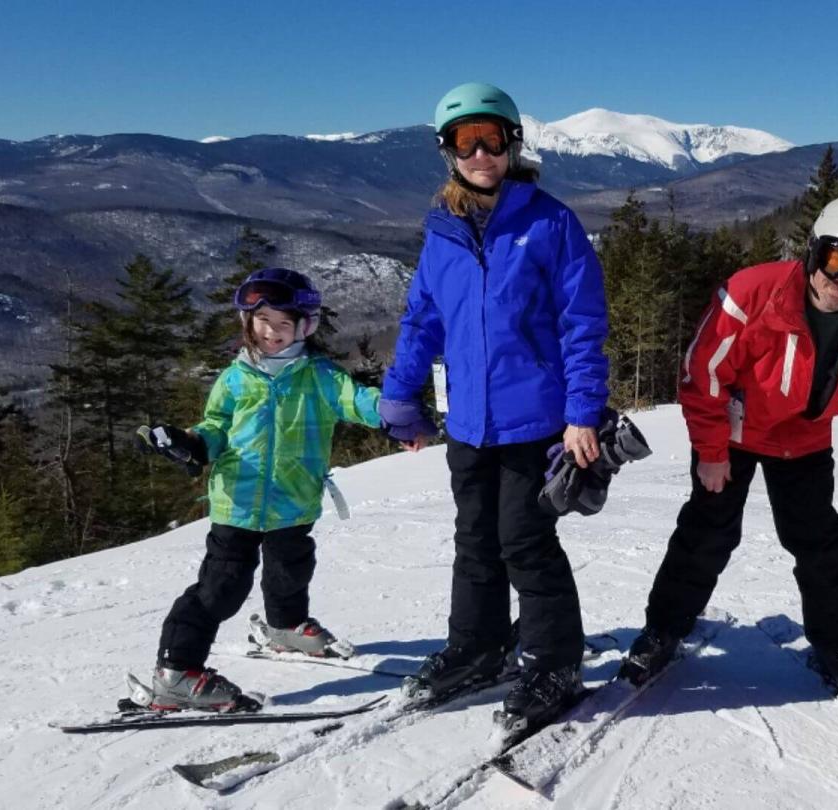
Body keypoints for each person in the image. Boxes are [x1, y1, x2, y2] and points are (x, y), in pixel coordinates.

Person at [618, 194, 838, 702]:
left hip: (804, 439)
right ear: (814, 250)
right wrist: (711, 450)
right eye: (836, 261)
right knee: (707, 534)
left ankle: (836, 645)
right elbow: (703, 373)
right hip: (734, 433)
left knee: (819, 544)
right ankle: (662, 631)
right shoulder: (753, 292)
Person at [378, 82, 609, 729]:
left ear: (512, 143)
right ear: (448, 151)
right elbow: (422, 319)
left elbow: (582, 323)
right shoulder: (443, 231)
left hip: (534, 420)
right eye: (464, 141)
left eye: (491, 139)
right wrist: (399, 393)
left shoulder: (550, 223)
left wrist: (583, 411)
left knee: (525, 543)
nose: (480, 153)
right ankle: (477, 647)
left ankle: (554, 663)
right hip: (469, 422)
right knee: (475, 541)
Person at [134, 267, 385, 711]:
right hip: (238, 502)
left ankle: (284, 626)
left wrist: (397, 411)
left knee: (292, 568)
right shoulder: (235, 378)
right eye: (263, 321)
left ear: (304, 327)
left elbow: (358, 401)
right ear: (248, 322)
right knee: (222, 587)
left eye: (284, 323)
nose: (272, 331)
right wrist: (189, 443)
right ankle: (176, 671)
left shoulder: (320, 376)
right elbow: (215, 427)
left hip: (294, 498)